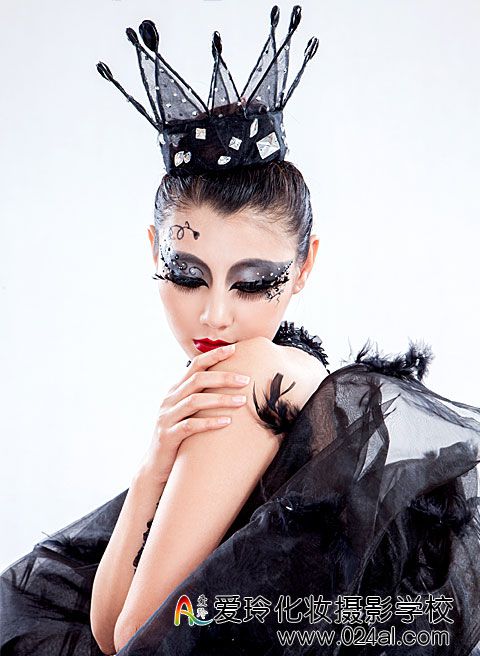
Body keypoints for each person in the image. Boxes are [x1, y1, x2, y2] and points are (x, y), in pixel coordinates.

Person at [1, 6, 480, 656]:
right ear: (154, 251)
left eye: (253, 282)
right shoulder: (298, 370)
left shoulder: (249, 378)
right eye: (187, 275)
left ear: (304, 266)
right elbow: (112, 625)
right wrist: (152, 469)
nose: (215, 315)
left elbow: (128, 637)